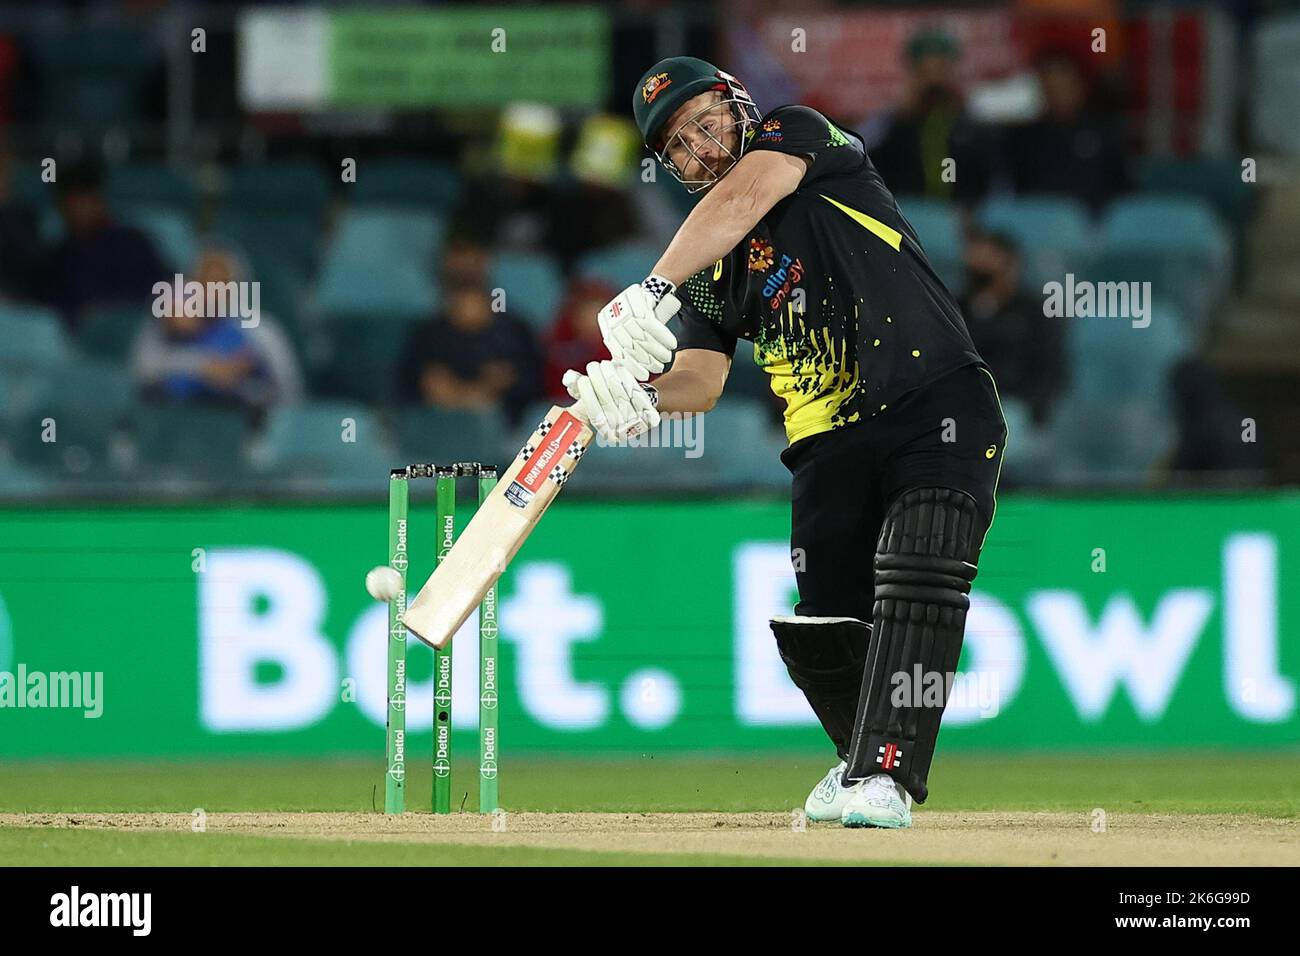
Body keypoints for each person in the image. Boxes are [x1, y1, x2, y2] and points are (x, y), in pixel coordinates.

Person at [561, 56, 1007, 829]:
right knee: (821, 630)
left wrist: (652, 284)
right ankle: (860, 760)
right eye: (677, 146)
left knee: (919, 572)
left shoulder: (799, 137)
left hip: (934, 402)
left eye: (705, 122)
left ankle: (889, 778)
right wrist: (632, 400)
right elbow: (697, 382)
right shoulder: (709, 272)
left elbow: (744, 195)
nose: (699, 148)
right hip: (826, 449)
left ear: (737, 105)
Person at [130, 245, 303, 413]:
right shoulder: (170, 322)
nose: (210, 291)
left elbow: (289, 390)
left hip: (243, 424)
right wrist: (201, 367)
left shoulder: (261, 331)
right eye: (204, 281)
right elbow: (142, 369)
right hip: (175, 421)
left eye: (221, 283)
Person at [862, 28, 998, 208]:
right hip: (906, 219)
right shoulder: (890, 123)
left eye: (940, 70)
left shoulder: (973, 123)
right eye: (925, 72)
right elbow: (861, 160)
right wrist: (901, 122)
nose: (934, 80)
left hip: (964, 220)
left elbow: (993, 181)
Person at [42, 160, 169, 329]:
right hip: (87, 344)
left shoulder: (133, 241)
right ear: (63, 207)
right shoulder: (58, 258)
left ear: (100, 200)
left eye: (88, 199)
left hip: (140, 333)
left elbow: (165, 288)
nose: (83, 208)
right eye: (75, 201)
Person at [958, 229, 1066, 426]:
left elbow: (1050, 371)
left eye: (988, 258)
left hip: (1016, 410)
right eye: (975, 258)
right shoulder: (952, 309)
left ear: (1010, 264)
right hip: (962, 408)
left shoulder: (1034, 313)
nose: (978, 265)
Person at [398, 281, 540, 425]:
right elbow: (411, 383)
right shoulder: (429, 336)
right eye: (461, 305)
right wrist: (452, 394)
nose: (468, 312)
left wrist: (495, 388)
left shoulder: (512, 334)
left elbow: (530, 382)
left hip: (506, 424)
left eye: (475, 304)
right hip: (436, 422)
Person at [1007, 51, 1129, 214]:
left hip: (1096, 225)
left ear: (1079, 87)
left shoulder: (1104, 132)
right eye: (1050, 88)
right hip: (1042, 225)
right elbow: (1019, 192)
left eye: (1062, 86)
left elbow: (1122, 188)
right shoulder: (1023, 138)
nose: (1057, 95)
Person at [541, 278, 616, 401]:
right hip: (563, 404)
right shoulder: (558, 339)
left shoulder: (619, 341)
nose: (592, 317)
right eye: (586, 309)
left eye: (598, 309)